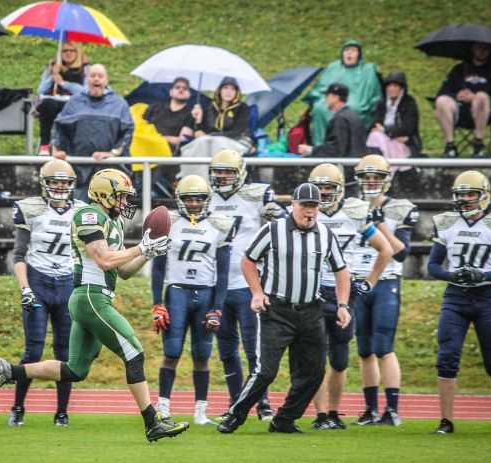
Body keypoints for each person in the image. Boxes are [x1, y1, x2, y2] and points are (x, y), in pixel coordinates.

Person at [0, 169, 190, 443]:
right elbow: (104, 260)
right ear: (104, 194)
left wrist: (148, 252)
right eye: (121, 197)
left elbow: (124, 270)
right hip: (91, 297)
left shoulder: (111, 222)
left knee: (75, 370)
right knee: (134, 353)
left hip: (95, 297)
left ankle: (9, 370)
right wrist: (142, 247)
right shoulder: (89, 215)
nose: (125, 203)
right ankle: (153, 422)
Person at [217, 183, 352, 434]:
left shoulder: (325, 234)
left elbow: (342, 271)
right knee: (265, 371)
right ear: (293, 206)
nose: (309, 212)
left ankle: (285, 419)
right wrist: (257, 292)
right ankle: (235, 415)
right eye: (305, 206)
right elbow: (248, 261)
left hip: (311, 311)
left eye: (314, 207)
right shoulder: (273, 230)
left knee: (313, 372)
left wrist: (343, 305)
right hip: (276, 310)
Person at [427, 171, 491, 434]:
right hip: (455, 297)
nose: (465, 199)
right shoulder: (446, 223)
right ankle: (446, 421)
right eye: (461, 195)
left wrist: (483, 275)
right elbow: (433, 265)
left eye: (471, 194)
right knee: (446, 358)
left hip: (487, 297)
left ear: (484, 195)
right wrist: (450, 274)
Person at [307, 163, 392, 430]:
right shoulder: (305, 214)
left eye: (328, 188)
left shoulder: (355, 213)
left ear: (340, 189)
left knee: (340, 359)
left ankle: (333, 412)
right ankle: (321, 415)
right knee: (316, 356)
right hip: (314, 291)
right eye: (319, 188)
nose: (323, 192)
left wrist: (369, 282)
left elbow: (386, 249)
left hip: (345, 292)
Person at [207, 149, 286, 421]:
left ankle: (262, 402)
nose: (222, 176)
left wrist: (278, 214)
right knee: (227, 350)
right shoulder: (204, 197)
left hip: (248, 284)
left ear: (239, 172)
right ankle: (235, 402)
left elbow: (285, 225)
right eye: (219, 172)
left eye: (228, 171)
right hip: (217, 286)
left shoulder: (258, 195)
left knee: (255, 350)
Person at [7, 159, 85, 427]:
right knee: (33, 351)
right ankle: (18, 407)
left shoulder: (83, 212)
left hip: (67, 285)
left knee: (66, 354)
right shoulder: (30, 209)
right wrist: (25, 288)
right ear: (45, 183)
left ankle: (62, 412)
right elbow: (19, 255)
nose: (60, 186)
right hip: (38, 283)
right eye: (55, 181)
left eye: (65, 182)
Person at [151, 174, 232, 425]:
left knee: (202, 354)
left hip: (205, 293)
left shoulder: (219, 225)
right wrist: (157, 302)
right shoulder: (169, 223)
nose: (195, 203)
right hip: (176, 291)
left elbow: (224, 273)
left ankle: (200, 411)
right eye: (190, 198)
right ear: (180, 199)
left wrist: (218, 308)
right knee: (172, 351)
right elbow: (157, 267)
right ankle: (163, 407)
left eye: (199, 199)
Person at [351, 154, 419, 427]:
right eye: (366, 177)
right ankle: (370, 410)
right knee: (364, 349)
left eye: (375, 177)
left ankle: (391, 410)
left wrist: (378, 223)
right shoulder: (350, 207)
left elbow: (401, 254)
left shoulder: (399, 208)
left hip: (386, 281)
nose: (370, 182)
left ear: (386, 180)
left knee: (383, 347)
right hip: (358, 280)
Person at [52, 64, 133, 202]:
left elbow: (127, 132)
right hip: (79, 169)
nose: (96, 79)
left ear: (106, 80)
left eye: (100, 76)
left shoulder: (119, 103)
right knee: (80, 211)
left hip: (111, 170)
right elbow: (60, 127)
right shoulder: (74, 102)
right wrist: (59, 149)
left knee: (109, 213)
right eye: (92, 76)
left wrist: (113, 153)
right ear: (86, 79)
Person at [302, 40, 382, 146]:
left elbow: (374, 95)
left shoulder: (367, 70)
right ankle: (320, 146)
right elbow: (321, 89)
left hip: (355, 101)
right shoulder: (333, 68)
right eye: (346, 50)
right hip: (331, 101)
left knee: (352, 110)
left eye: (353, 51)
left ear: (359, 54)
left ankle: (346, 145)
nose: (349, 53)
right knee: (319, 109)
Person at [435, 43, 491, 158]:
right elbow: (441, 93)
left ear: (490, 51)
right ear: (472, 49)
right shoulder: (459, 69)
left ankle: (478, 143)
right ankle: (450, 146)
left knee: (481, 96)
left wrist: (474, 98)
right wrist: (457, 95)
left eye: (486, 48)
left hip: (485, 114)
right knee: (442, 101)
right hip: (459, 112)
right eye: (479, 48)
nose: (482, 51)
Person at [36, 42, 90, 155]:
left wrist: (63, 83)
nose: (68, 53)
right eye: (64, 51)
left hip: (75, 102)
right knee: (47, 105)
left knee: (69, 108)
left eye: (72, 50)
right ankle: (45, 144)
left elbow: (86, 91)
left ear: (77, 52)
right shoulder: (53, 66)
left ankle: (66, 145)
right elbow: (41, 90)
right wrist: (52, 75)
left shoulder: (85, 68)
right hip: (54, 101)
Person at [367, 71, 421, 167]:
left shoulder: (409, 103)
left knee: (378, 136)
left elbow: (408, 128)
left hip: (407, 144)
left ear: (401, 88)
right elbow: (375, 124)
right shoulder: (382, 103)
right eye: (389, 86)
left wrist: (385, 131)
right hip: (385, 140)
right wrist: (391, 134)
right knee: (375, 136)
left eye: (395, 86)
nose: (391, 89)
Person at [299, 83, 367, 158]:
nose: (325, 99)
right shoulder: (355, 116)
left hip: (344, 167)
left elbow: (336, 149)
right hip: (356, 165)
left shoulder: (340, 119)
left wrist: (311, 150)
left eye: (327, 96)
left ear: (335, 97)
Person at [144, 77, 195, 152]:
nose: (181, 90)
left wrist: (158, 139)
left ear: (189, 94)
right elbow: (142, 127)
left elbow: (182, 141)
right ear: (171, 92)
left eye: (185, 88)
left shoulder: (191, 113)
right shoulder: (155, 107)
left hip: (168, 153)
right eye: (177, 87)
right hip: (145, 146)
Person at [192, 76, 250, 141]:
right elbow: (200, 129)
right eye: (225, 88)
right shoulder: (210, 106)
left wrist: (211, 136)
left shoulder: (242, 108)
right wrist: (198, 121)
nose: (229, 92)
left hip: (231, 142)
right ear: (219, 90)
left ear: (236, 92)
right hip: (208, 142)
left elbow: (237, 132)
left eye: (233, 89)